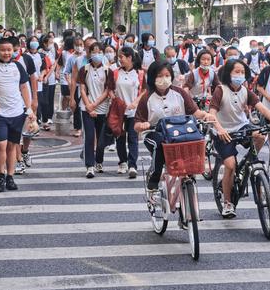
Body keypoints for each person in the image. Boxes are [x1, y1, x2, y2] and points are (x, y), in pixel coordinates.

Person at [212, 59, 270, 218]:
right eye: (236, 72)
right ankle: (228, 203)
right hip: (223, 132)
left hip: (241, 127)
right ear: (228, 73)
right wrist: (219, 129)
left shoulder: (245, 91)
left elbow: (260, 107)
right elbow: (212, 114)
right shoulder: (220, 90)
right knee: (230, 165)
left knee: (260, 135)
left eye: (242, 72)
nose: (240, 75)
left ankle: (248, 161)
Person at [134, 61, 214, 190]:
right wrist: (143, 125)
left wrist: (206, 115)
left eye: (167, 75)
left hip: (180, 132)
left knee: (196, 140)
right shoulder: (147, 98)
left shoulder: (180, 93)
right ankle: (154, 179)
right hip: (155, 133)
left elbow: (195, 112)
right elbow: (136, 125)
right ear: (153, 77)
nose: (164, 79)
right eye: (160, 76)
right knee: (159, 145)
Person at [0, 38, 35, 192]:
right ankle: (0, 175)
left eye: (9, 50)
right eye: (3, 50)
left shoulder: (18, 67)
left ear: (14, 50)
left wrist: (29, 108)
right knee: (1, 144)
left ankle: (10, 177)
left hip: (17, 112)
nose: (6, 53)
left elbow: (24, 88)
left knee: (12, 145)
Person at [78, 42, 115, 178]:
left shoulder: (107, 70)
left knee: (100, 140)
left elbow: (107, 90)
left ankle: (99, 161)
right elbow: (82, 88)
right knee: (89, 136)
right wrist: (88, 105)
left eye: (100, 52)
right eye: (94, 52)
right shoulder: (84, 69)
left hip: (102, 108)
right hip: (86, 107)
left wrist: (95, 104)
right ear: (90, 53)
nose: (97, 54)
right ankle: (89, 165)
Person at [112, 47, 145, 178]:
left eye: (122, 57)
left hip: (134, 112)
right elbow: (109, 89)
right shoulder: (115, 73)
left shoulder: (140, 74)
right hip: (118, 111)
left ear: (130, 58)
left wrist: (135, 102)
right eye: (119, 57)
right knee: (120, 137)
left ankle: (132, 165)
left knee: (133, 138)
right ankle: (122, 162)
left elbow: (144, 91)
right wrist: (116, 100)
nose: (120, 60)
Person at [10, 37, 38, 174]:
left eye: (14, 50)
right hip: (12, 104)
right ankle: (19, 160)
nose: (11, 53)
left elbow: (33, 78)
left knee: (28, 132)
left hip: (27, 101)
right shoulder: (4, 63)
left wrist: (34, 99)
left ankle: (25, 151)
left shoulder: (27, 59)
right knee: (16, 134)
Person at [40, 34, 57, 130]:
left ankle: (50, 117)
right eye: (50, 43)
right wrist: (46, 75)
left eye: (52, 42)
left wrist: (50, 74)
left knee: (51, 99)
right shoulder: (40, 53)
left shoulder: (52, 51)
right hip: (44, 79)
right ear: (44, 43)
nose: (51, 44)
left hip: (51, 79)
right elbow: (46, 67)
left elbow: (54, 64)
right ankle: (44, 118)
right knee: (44, 101)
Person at [59, 36, 75, 110]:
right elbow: (60, 63)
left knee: (72, 95)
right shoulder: (64, 53)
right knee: (66, 95)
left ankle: (70, 111)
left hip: (73, 76)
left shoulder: (76, 53)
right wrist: (57, 73)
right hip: (65, 77)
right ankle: (64, 110)